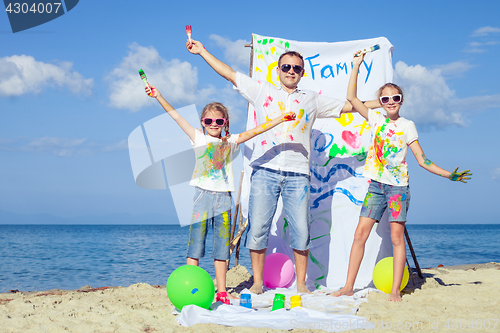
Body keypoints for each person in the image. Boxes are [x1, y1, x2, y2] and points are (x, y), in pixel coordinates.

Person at [186, 39, 381, 294]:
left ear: (302, 72)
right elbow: (229, 74)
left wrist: (385, 102)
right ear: (278, 70)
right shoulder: (261, 91)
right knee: (257, 229)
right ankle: (257, 283)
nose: (291, 71)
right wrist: (202, 52)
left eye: (296, 68)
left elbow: (349, 106)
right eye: (286, 67)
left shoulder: (311, 99)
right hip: (264, 170)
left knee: (301, 230)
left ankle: (301, 285)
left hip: (298, 174)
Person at [331, 51, 472, 301]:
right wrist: (356, 65)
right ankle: (348, 286)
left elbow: (421, 159)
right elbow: (351, 97)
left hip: (398, 189)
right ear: (381, 103)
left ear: (401, 100)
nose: (391, 102)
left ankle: (395, 290)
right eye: (385, 99)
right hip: (376, 186)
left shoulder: (408, 126)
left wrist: (448, 175)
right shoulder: (375, 118)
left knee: (397, 238)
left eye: (395, 97)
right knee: (359, 234)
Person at [144, 83, 296, 303]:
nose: (213, 124)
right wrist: (158, 95)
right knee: (196, 243)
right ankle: (191, 286)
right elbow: (175, 116)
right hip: (201, 197)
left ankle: (222, 290)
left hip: (224, 199)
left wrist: (280, 119)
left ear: (225, 123)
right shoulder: (198, 138)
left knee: (222, 247)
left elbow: (258, 130)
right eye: (208, 121)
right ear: (202, 123)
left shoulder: (230, 141)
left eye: (218, 120)